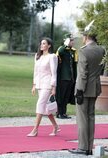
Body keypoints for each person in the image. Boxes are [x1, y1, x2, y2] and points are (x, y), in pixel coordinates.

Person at [69, 22, 105, 155]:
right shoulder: (101, 50)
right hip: (95, 87)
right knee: (90, 117)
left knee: (82, 119)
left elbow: (83, 74)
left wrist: (79, 90)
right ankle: (89, 147)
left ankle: (83, 148)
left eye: (83, 36)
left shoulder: (84, 51)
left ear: (86, 36)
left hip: (84, 89)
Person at [27, 37, 60, 137]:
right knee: (46, 108)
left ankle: (35, 130)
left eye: (44, 43)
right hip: (39, 85)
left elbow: (54, 73)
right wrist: (34, 85)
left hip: (48, 85)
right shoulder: (37, 56)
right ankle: (55, 126)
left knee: (40, 104)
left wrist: (53, 87)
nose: (42, 45)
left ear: (49, 46)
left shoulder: (52, 57)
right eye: (41, 43)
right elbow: (35, 72)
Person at [55, 33, 77, 119]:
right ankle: (59, 112)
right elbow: (58, 56)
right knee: (61, 95)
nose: (73, 42)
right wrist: (65, 45)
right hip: (63, 78)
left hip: (70, 78)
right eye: (71, 40)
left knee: (67, 96)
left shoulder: (73, 51)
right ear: (66, 41)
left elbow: (74, 65)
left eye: (73, 40)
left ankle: (63, 113)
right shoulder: (62, 49)